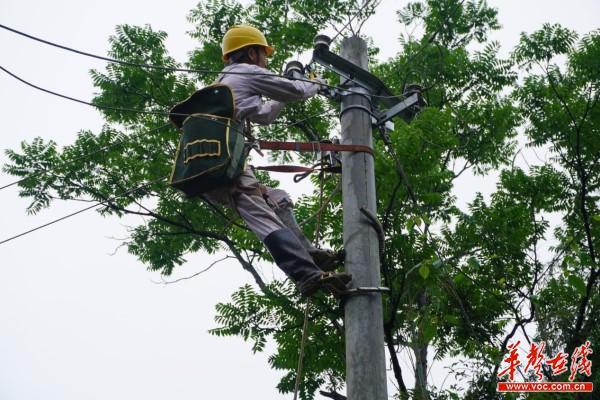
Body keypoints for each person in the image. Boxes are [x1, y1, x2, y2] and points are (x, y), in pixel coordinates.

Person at [205, 25, 351, 297]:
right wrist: (314, 83)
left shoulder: (225, 81)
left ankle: (310, 254)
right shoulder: (246, 72)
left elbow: (265, 114)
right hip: (226, 163)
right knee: (262, 217)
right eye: (264, 55)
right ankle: (306, 274)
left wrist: (285, 92)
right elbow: (296, 90)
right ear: (251, 52)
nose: (266, 61)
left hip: (215, 162)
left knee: (277, 199)